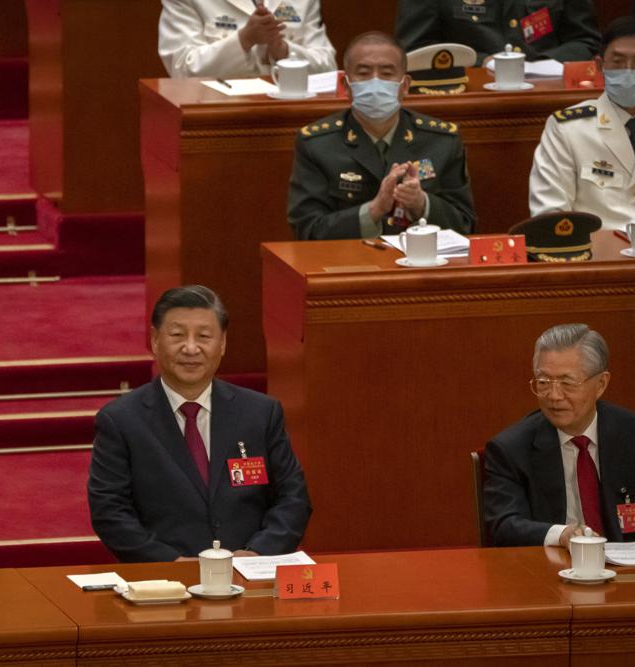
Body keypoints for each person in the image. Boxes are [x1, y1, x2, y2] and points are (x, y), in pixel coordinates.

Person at [87, 285, 311, 562]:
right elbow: (109, 511)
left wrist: (257, 553)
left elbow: (293, 498)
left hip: (250, 576)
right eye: (178, 335)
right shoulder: (121, 420)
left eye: (204, 336)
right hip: (165, 583)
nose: (190, 348)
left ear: (223, 343)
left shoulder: (260, 412)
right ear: (155, 340)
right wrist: (172, 562)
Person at [484, 323, 635, 549]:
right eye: (543, 382)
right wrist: (562, 535)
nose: (553, 395)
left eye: (567, 383)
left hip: (629, 572)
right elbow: (504, 526)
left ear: (601, 384)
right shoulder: (511, 448)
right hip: (550, 570)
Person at [287, 31, 475, 240]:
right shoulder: (317, 144)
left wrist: (422, 203)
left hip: (421, 265)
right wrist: (373, 210)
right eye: (364, 73)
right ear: (345, 86)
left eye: (387, 73)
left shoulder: (442, 141)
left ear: (404, 86)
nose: (375, 83)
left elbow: (465, 226)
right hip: (348, 265)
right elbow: (308, 230)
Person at [529, 18, 635, 231]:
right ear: (600, 65)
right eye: (617, 61)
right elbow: (550, 213)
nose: (628, 71)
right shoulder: (567, 129)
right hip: (599, 255)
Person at [158, 0, 336, 78]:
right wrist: (244, 39)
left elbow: (328, 69)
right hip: (218, 117)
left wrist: (284, 52)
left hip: (291, 115)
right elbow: (181, 69)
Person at [395, 0, 600, 66]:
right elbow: (416, 49)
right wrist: (483, 62)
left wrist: (542, 65)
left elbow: (586, 40)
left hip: (547, 95)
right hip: (469, 99)